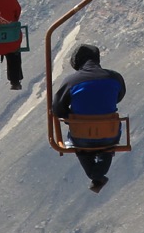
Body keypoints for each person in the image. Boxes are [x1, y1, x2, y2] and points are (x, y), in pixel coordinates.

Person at [51, 44, 126, 192]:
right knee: (108, 142)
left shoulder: (71, 81)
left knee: (80, 145)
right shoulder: (115, 78)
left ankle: (97, 175)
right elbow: (119, 96)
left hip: (81, 135)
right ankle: (100, 168)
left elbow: (57, 109)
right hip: (109, 133)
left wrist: (70, 116)